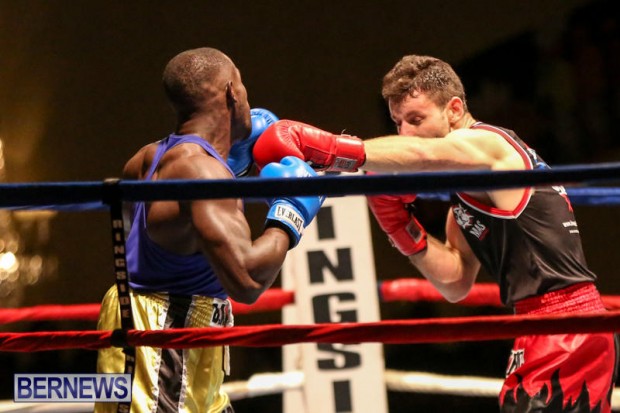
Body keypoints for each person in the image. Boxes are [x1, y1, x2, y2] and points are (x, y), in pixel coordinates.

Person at [250, 54, 618, 412]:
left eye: (416, 119)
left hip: (566, 326)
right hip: (543, 328)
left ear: (454, 109)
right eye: (398, 123)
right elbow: (456, 281)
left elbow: (424, 154)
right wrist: (400, 227)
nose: (406, 132)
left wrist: (330, 150)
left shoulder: (490, 144)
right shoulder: (465, 201)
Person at [95, 47, 323, 413]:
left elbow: (167, 244)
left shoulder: (146, 160)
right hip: (165, 354)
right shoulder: (201, 171)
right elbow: (247, 280)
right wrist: (290, 212)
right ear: (232, 91)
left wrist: (232, 171)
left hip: (170, 346)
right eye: (243, 84)